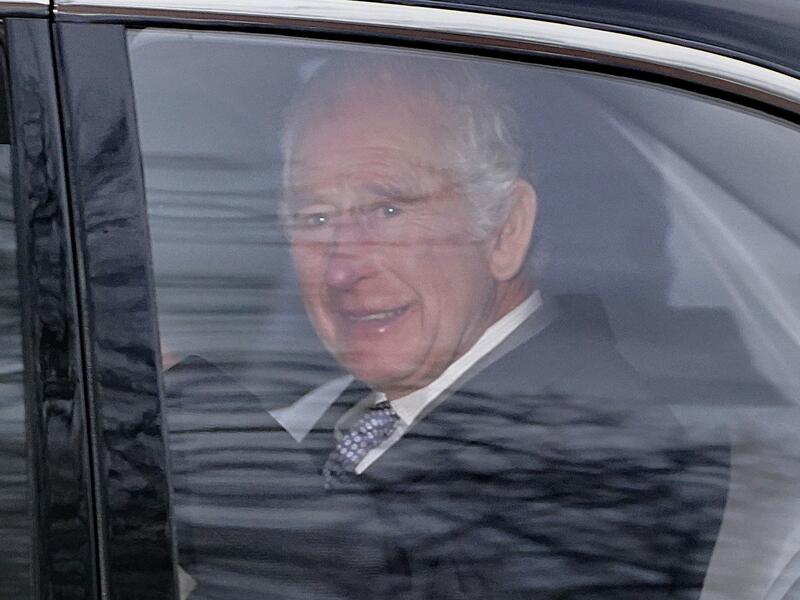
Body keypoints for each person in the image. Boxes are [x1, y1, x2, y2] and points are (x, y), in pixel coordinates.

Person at [167, 55, 728, 599]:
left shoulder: (603, 449)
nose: (341, 268)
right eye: (315, 219)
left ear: (505, 231)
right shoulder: (348, 409)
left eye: (389, 210)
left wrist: (167, 407)